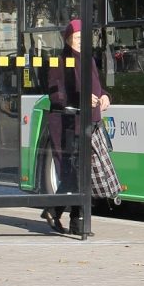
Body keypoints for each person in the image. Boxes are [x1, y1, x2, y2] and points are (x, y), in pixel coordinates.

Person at [43, 19, 110, 236]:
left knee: (81, 172)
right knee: (76, 172)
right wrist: (80, 99)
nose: (81, 41)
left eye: (84, 37)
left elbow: (96, 86)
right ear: (68, 38)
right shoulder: (59, 61)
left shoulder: (89, 59)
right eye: (77, 37)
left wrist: (105, 96)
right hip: (68, 123)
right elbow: (56, 94)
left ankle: (58, 212)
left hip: (89, 122)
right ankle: (75, 222)